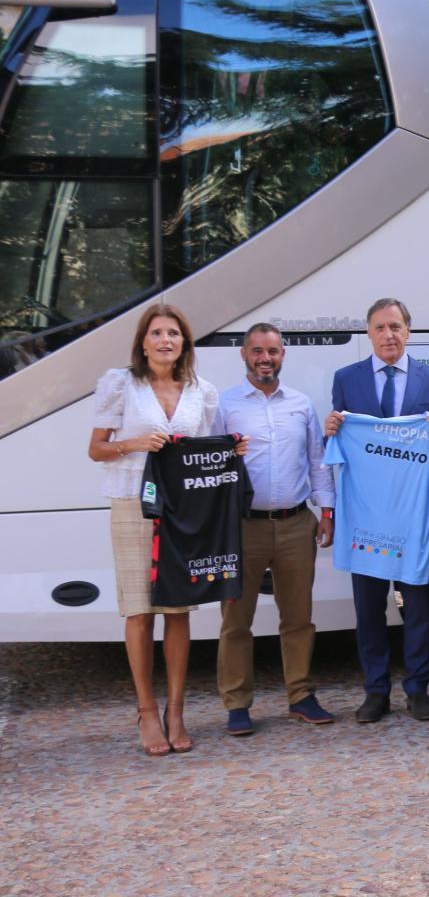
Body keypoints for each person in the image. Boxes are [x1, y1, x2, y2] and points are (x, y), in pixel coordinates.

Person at [89, 305, 229, 755]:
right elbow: (96, 449)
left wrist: (232, 451)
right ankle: (147, 712)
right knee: (139, 611)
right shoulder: (121, 384)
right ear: (143, 342)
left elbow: (201, 450)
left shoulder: (201, 391)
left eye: (174, 333)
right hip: (133, 504)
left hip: (182, 508)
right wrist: (132, 443)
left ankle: (176, 712)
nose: (165, 339)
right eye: (157, 333)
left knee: (177, 610)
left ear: (185, 342)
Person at [325, 297, 429, 724]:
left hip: (411, 516)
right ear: (368, 332)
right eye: (381, 327)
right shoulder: (346, 379)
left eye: (396, 327)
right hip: (364, 515)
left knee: (418, 603)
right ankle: (375, 691)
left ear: (409, 331)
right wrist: (331, 430)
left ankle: (418, 688)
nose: (389, 335)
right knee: (367, 607)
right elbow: (338, 442)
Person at [212, 323, 335, 737]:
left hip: (296, 523)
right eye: (258, 351)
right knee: (235, 620)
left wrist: (327, 512)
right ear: (244, 355)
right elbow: (209, 466)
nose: (266, 358)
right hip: (241, 527)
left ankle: (300, 696)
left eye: (274, 351)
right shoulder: (225, 406)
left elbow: (317, 461)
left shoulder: (300, 404)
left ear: (283, 355)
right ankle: (236, 703)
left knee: (299, 618)